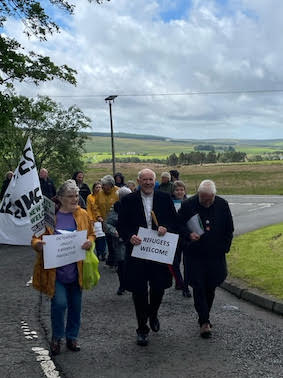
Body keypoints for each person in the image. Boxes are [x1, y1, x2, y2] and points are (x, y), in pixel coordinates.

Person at [31, 179, 95, 355]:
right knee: (59, 304)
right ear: (60, 198)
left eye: (76, 196)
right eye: (70, 196)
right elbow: (35, 238)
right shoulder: (49, 216)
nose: (75, 199)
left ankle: (72, 337)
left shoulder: (82, 214)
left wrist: (89, 242)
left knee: (76, 306)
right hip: (55, 271)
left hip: (77, 270)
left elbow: (91, 234)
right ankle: (56, 338)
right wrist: (38, 245)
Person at [118, 168, 177, 346]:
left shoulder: (164, 198)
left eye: (151, 179)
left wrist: (165, 227)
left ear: (155, 181)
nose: (148, 182)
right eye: (144, 179)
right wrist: (130, 236)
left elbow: (174, 221)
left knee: (158, 288)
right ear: (138, 181)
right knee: (139, 292)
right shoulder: (128, 200)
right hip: (137, 252)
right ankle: (142, 328)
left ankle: (153, 313)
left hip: (158, 251)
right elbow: (122, 225)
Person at [177, 180, 234, 338]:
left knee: (210, 287)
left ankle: (204, 315)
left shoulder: (222, 204)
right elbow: (178, 225)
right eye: (203, 199)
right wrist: (188, 235)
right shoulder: (188, 204)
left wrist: (225, 247)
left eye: (209, 199)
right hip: (195, 254)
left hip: (215, 255)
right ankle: (204, 321)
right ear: (198, 194)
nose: (206, 202)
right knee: (199, 287)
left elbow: (229, 228)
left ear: (214, 195)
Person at [104, 186, 132, 295]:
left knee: (133, 264)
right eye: (123, 197)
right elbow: (108, 224)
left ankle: (132, 284)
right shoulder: (115, 208)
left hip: (134, 240)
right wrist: (114, 231)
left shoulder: (136, 207)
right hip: (120, 241)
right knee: (121, 264)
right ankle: (122, 285)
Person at [171, 181, 192, 298]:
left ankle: (186, 286)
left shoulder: (189, 203)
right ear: (173, 192)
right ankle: (180, 282)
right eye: (177, 190)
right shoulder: (169, 203)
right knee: (175, 262)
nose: (179, 192)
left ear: (185, 191)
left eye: (181, 190)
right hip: (174, 236)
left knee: (187, 263)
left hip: (186, 236)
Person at [94, 175, 119, 266]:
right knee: (109, 241)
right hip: (104, 222)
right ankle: (111, 260)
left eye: (104, 185)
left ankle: (117, 262)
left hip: (116, 223)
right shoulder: (100, 193)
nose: (102, 186)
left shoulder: (118, 192)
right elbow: (96, 206)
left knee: (116, 242)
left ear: (110, 185)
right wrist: (98, 216)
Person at [86, 181, 106, 260]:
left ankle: (103, 253)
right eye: (97, 187)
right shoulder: (90, 197)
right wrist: (91, 220)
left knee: (103, 238)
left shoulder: (103, 196)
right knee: (96, 237)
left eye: (100, 187)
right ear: (93, 189)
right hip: (94, 220)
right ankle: (98, 252)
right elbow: (89, 209)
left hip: (102, 219)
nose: (98, 189)